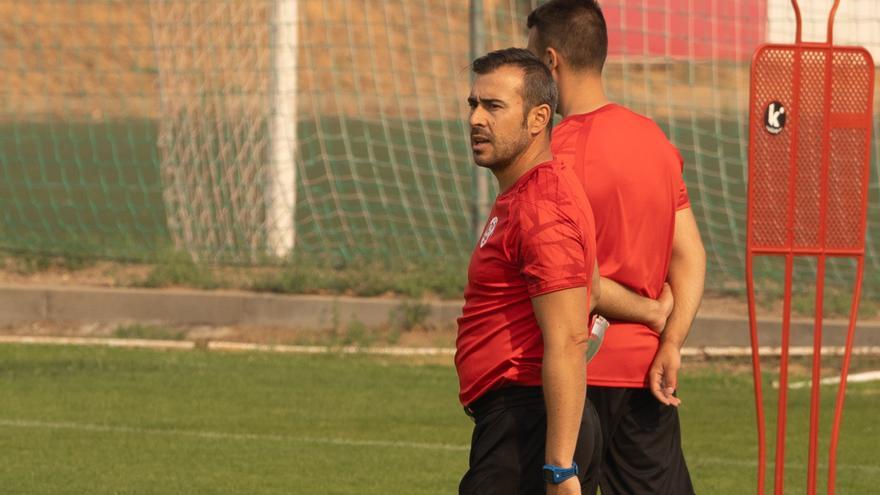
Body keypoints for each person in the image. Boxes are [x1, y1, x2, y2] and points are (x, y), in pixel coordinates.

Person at [527, 1, 708, 494]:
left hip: (574, 376)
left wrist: (652, 314)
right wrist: (670, 341)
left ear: (550, 61)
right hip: (645, 375)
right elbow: (690, 255)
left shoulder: (552, 157)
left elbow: (575, 282)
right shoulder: (654, 140)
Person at [455, 47, 602, 495]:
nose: (477, 118)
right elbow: (590, 289)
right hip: (522, 420)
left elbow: (567, 339)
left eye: (493, 106)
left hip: (527, 425)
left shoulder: (541, 207)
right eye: (473, 104)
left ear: (539, 119)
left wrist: (559, 468)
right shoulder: (532, 192)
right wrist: (650, 310)